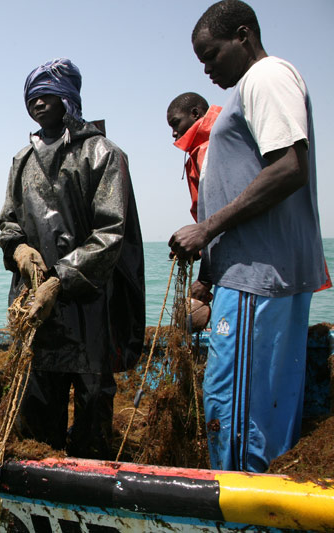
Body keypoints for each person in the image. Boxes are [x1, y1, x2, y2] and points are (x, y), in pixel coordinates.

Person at [169, 0, 327, 472]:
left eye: (212, 54)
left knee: (234, 407)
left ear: (243, 35)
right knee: (268, 407)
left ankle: (242, 512)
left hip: (256, 277)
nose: (207, 68)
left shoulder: (265, 77)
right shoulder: (254, 87)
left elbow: (289, 168)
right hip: (252, 274)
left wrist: (208, 228)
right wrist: (210, 270)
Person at [0, 58, 145, 458]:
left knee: (93, 398)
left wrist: (59, 279)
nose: (38, 102)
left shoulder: (103, 153)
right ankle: (41, 473)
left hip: (91, 304)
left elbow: (111, 232)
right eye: (31, 96)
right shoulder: (22, 161)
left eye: (47, 93)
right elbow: (9, 222)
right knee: (39, 398)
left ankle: (91, 472)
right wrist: (18, 248)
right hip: (37, 309)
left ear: (69, 98)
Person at [166, 92, 221, 222]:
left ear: (195, 114)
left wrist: (206, 231)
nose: (173, 133)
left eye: (176, 123)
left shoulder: (210, 148)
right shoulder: (199, 151)